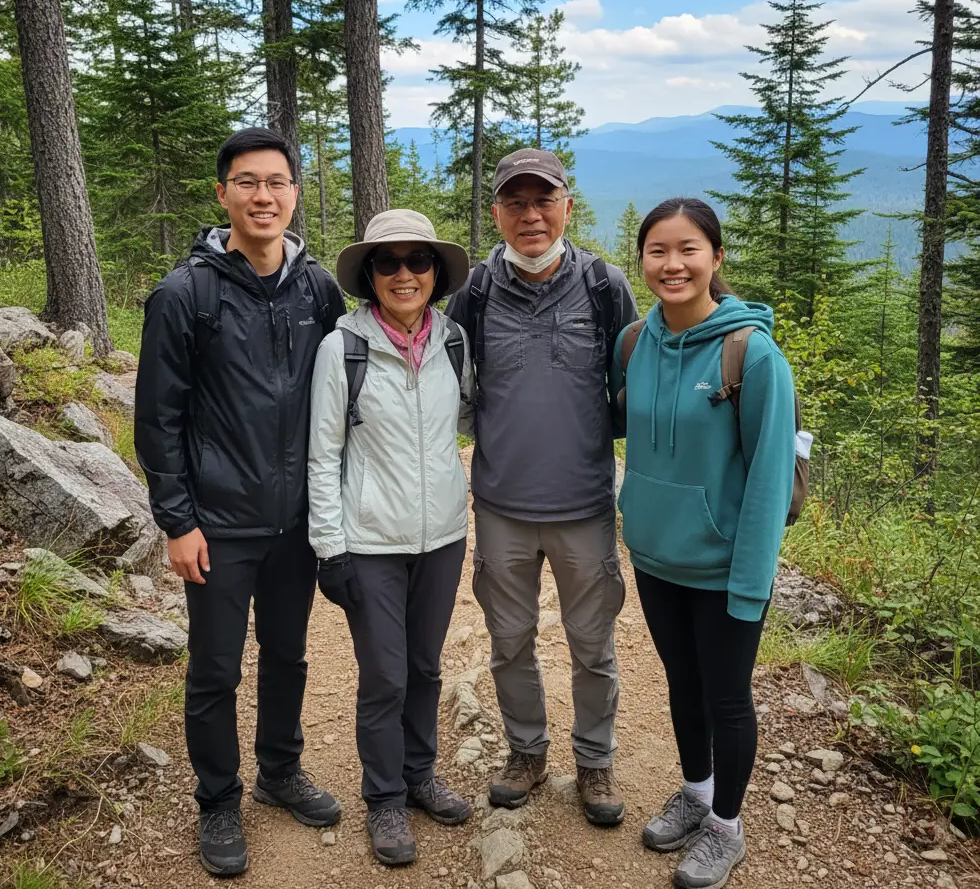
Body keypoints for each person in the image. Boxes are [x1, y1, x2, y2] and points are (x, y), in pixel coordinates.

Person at [134, 128, 347, 878]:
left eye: (278, 183)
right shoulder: (185, 293)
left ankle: (280, 770)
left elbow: (340, 400)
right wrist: (178, 521)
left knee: (287, 654)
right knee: (216, 668)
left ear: (295, 192)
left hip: (295, 524)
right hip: (218, 525)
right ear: (223, 192)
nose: (265, 196)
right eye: (249, 183)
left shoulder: (319, 288)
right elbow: (157, 419)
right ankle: (219, 797)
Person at [446, 149, 639, 826]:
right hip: (500, 503)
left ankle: (595, 760)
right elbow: (456, 386)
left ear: (567, 205)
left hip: (585, 502)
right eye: (516, 203)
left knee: (593, 645)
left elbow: (631, 391)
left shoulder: (604, 285)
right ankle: (526, 753)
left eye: (543, 200)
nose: (531, 215)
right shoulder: (474, 291)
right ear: (496, 212)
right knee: (509, 640)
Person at [610, 198, 796, 889]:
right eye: (658, 251)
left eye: (688, 249)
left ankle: (726, 827)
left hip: (723, 568)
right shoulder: (633, 343)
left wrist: (751, 583)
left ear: (716, 258)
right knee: (682, 685)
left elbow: (770, 481)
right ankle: (695, 790)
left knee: (727, 698)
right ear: (643, 262)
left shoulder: (752, 353)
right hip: (657, 559)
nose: (672, 264)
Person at [306, 209, 475, 867]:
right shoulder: (342, 349)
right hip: (370, 541)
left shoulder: (453, 342)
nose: (404, 274)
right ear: (369, 274)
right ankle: (384, 798)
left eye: (417, 261)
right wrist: (331, 548)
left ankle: (419, 774)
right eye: (388, 263)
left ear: (436, 271)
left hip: (442, 539)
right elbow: (323, 456)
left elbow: (466, 425)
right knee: (385, 675)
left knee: (426, 668)